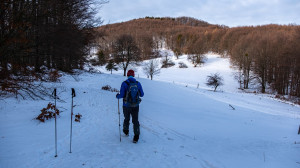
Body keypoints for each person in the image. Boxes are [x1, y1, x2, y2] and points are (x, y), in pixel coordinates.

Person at [116, 69, 144, 143]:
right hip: (136, 105)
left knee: (126, 118)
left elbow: (121, 95)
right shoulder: (138, 83)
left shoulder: (124, 83)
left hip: (126, 105)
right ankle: (136, 137)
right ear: (134, 75)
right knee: (135, 120)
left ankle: (126, 132)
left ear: (127, 75)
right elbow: (142, 94)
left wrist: (117, 96)